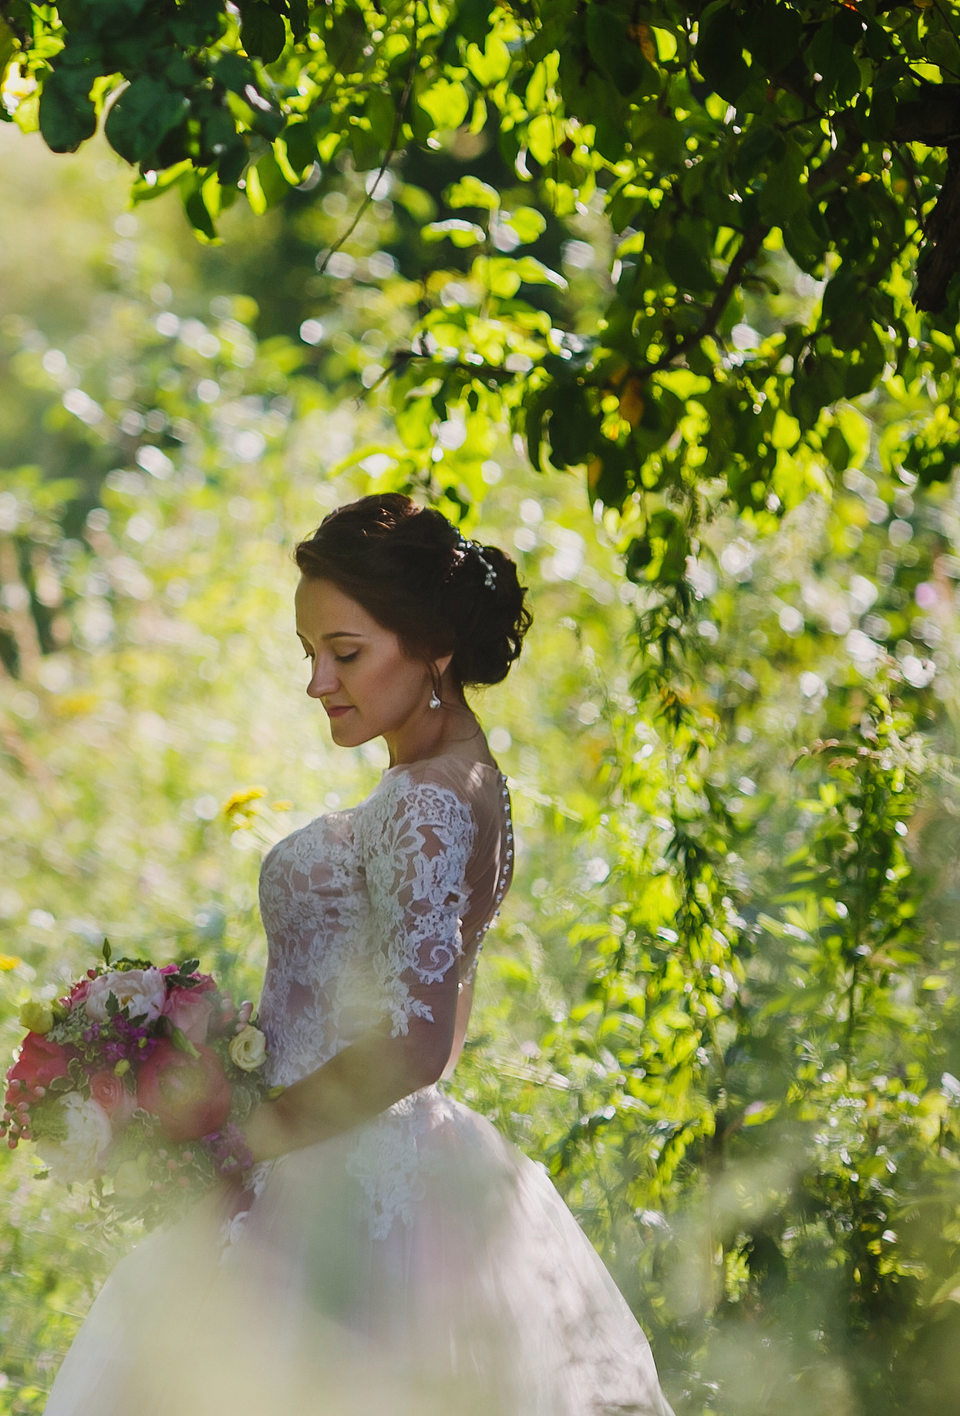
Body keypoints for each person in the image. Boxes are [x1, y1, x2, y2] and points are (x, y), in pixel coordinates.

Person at [41, 493, 673, 1416]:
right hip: (346, 1148)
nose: (318, 681)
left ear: (434, 648)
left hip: (336, 1178)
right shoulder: (459, 781)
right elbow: (434, 1022)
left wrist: (246, 1136)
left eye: (345, 652)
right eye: (310, 652)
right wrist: (225, 1063)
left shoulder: (428, 801)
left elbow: (416, 1046)